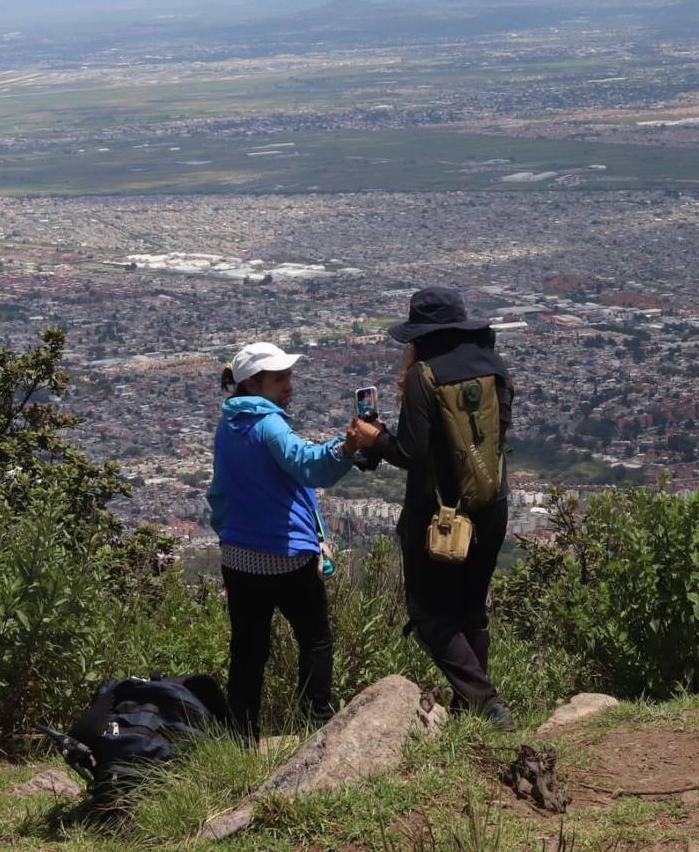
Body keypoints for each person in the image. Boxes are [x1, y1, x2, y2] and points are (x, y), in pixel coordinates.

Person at [350, 288, 515, 730]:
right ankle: (472, 715)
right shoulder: (494, 366)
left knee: (428, 614)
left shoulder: (425, 376)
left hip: (439, 516)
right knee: (471, 610)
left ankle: (486, 704)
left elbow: (410, 451)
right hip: (491, 504)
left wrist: (374, 437)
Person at [207, 341, 359, 739]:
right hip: (284, 556)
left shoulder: (227, 425)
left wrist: (229, 533)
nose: (288, 385)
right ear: (253, 384)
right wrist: (347, 446)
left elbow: (218, 492)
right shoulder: (269, 424)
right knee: (315, 638)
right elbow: (309, 467)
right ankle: (315, 722)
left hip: (238, 558)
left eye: (288, 376)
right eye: (279, 379)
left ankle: (240, 737)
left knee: (248, 651)